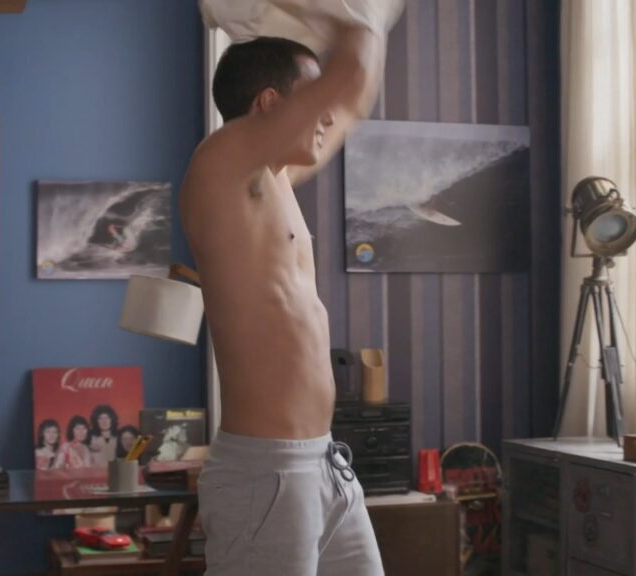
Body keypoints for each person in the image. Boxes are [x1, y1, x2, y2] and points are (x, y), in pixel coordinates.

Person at [179, 24, 387, 576]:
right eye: (310, 97)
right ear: (270, 103)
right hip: (265, 474)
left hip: (324, 463)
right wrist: (356, 18)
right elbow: (348, 71)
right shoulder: (220, 163)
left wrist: (370, 33)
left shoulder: (276, 181)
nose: (324, 116)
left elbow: (352, 98)